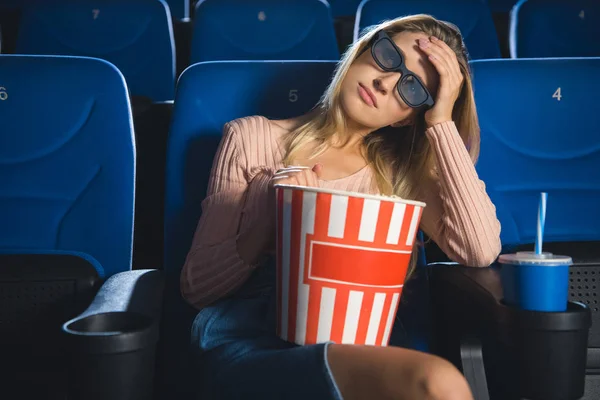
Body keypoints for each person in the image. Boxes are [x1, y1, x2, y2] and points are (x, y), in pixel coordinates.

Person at [181, 14, 501, 400]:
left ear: (408, 119)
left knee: (436, 383)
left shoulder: (403, 175)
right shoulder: (252, 136)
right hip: (251, 337)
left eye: (413, 90)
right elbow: (197, 289)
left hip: (360, 341)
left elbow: (479, 249)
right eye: (387, 57)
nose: (386, 83)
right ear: (361, 51)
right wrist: (272, 214)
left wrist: (441, 121)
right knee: (438, 382)